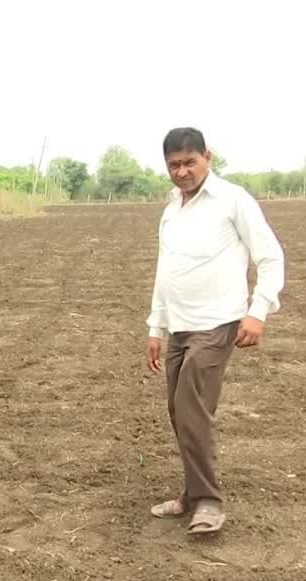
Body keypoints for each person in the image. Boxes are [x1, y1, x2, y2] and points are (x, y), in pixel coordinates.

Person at [145, 127, 285, 535]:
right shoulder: (172, 209)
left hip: (218, 321)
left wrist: (258, 311)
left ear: (208, 155)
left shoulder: (233, 199)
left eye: (190, 162)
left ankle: (208, 502)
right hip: (179, 326)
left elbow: (271, 256)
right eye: (174, 165)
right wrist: (156, 326)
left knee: (191, 407)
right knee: (178, 409)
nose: (182, 172)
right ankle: (192, 493)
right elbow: (164, 271)